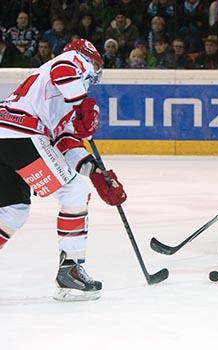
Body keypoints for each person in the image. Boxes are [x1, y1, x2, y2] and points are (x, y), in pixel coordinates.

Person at [0, 38, 127, 301]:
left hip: (8, 134)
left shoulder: (61, 97)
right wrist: (82, 102)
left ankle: (70, 272)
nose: (93, 77)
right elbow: (63, 70)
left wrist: (94, 172)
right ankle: (70, 272)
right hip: (21, 133)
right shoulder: (71, 62)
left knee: (13, 211)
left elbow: (65, 143)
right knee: (74, 191)